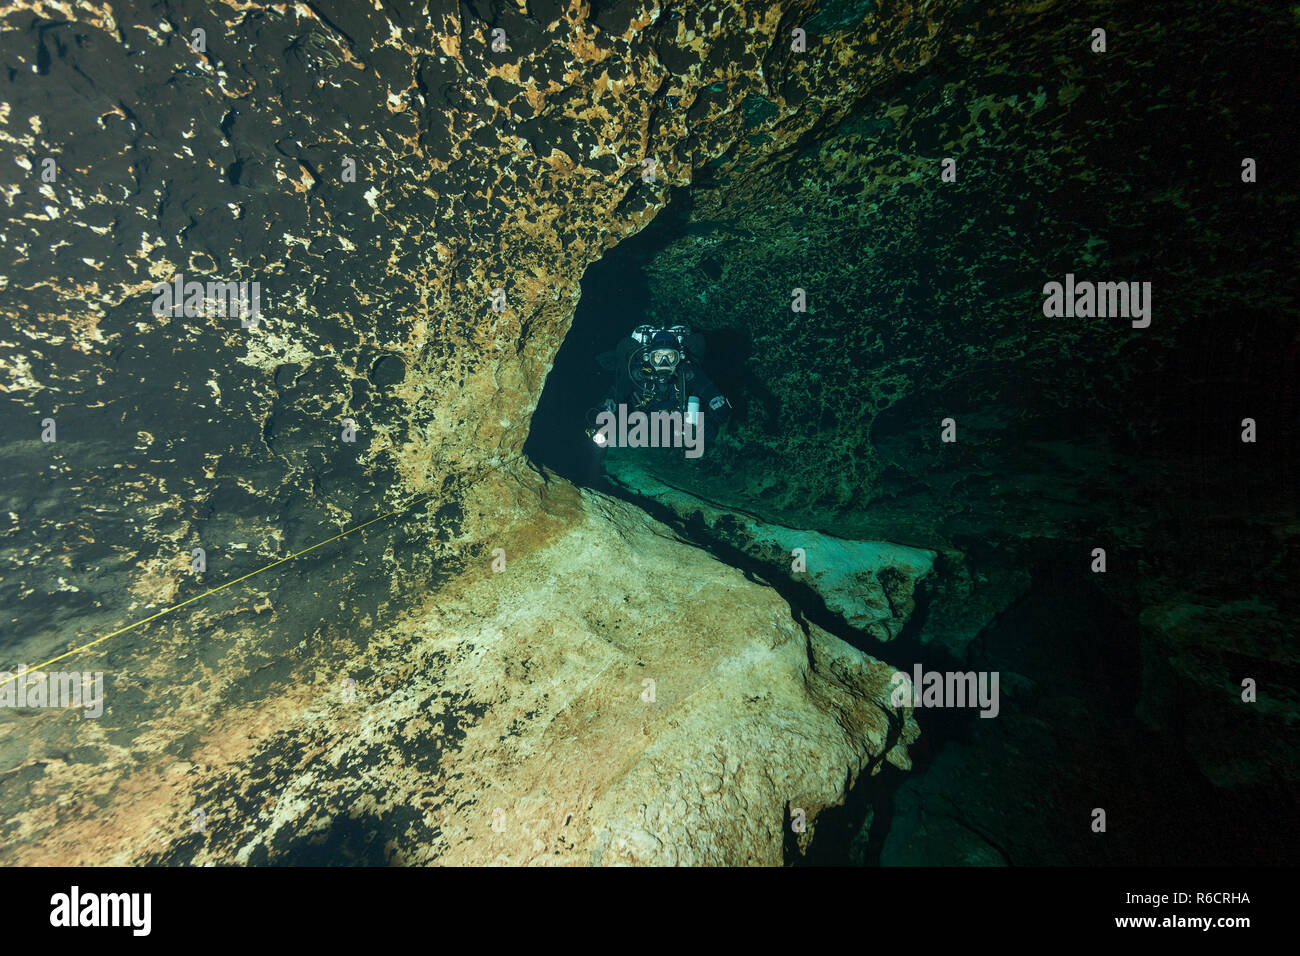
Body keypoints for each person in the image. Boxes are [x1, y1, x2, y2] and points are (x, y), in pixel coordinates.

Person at [586, 324, 731, 452]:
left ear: (679, 357)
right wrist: (601, 416)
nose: (664, 362)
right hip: (642, 422)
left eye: (670, 357)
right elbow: (614, 396)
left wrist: (717, 408)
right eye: (658, 357)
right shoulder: (638, 375)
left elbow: (710, 392)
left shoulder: (687, 372)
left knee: (708, 433)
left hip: (680, 425)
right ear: (649, 358)